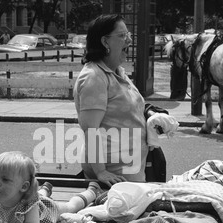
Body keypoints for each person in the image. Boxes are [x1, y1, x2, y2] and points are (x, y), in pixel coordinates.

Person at [74, 14, 178, 187]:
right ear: (105, 42)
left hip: (131, 172)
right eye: (122, 36)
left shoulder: (117, 71)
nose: (129, 40)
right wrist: (101, 172)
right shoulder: (94, 77)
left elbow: (129, 107)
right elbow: (91, 130)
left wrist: (150, 114)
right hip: (116, 178)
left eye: (128, 35)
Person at [0, 151, 102, 223]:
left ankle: (92, 191)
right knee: (38, 195)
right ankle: (45, 189)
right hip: (29, 196)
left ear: (24, 186)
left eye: (5, 180)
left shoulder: (29, 206)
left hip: (46, 210)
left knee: (71, 206)